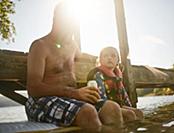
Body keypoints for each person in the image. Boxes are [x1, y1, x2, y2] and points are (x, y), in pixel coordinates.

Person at [25, 1, 124, 131]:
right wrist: (74, 93)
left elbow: (83, 56)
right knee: (88, 112)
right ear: (55, 19)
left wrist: (101, 60)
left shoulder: (72, 46)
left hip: (70, 99)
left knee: (113, 109)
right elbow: (33, 88)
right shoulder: (40, 46)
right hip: (40, 101)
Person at [87, 46, 144, 122]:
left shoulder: (117, 76)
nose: (109, 58)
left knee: (138, 113)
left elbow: (124, 95)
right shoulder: (97, 74)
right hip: (100, 106)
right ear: (100, 60)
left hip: (117, 105)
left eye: (113, 56)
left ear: (118, 61)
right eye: (105, 56)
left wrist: (129, 106)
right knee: (129, 114)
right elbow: (100, 99)